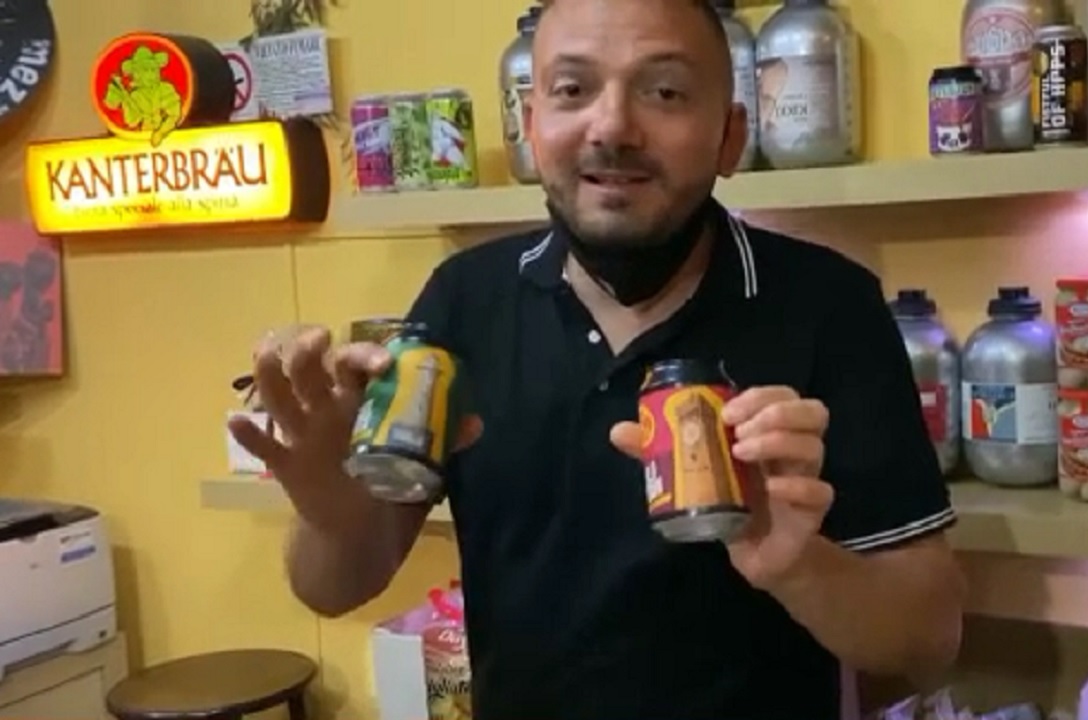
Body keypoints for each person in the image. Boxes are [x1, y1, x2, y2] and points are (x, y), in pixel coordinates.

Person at [229, 0, 966, 718]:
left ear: (730, 137)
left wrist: (798, 566)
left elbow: (928, 643)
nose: (612, 126)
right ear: (531, 126)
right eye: (572, 89)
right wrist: (333, 514)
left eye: (665, 92)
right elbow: (332, 588)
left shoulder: (830, 304)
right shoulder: (463, 302)